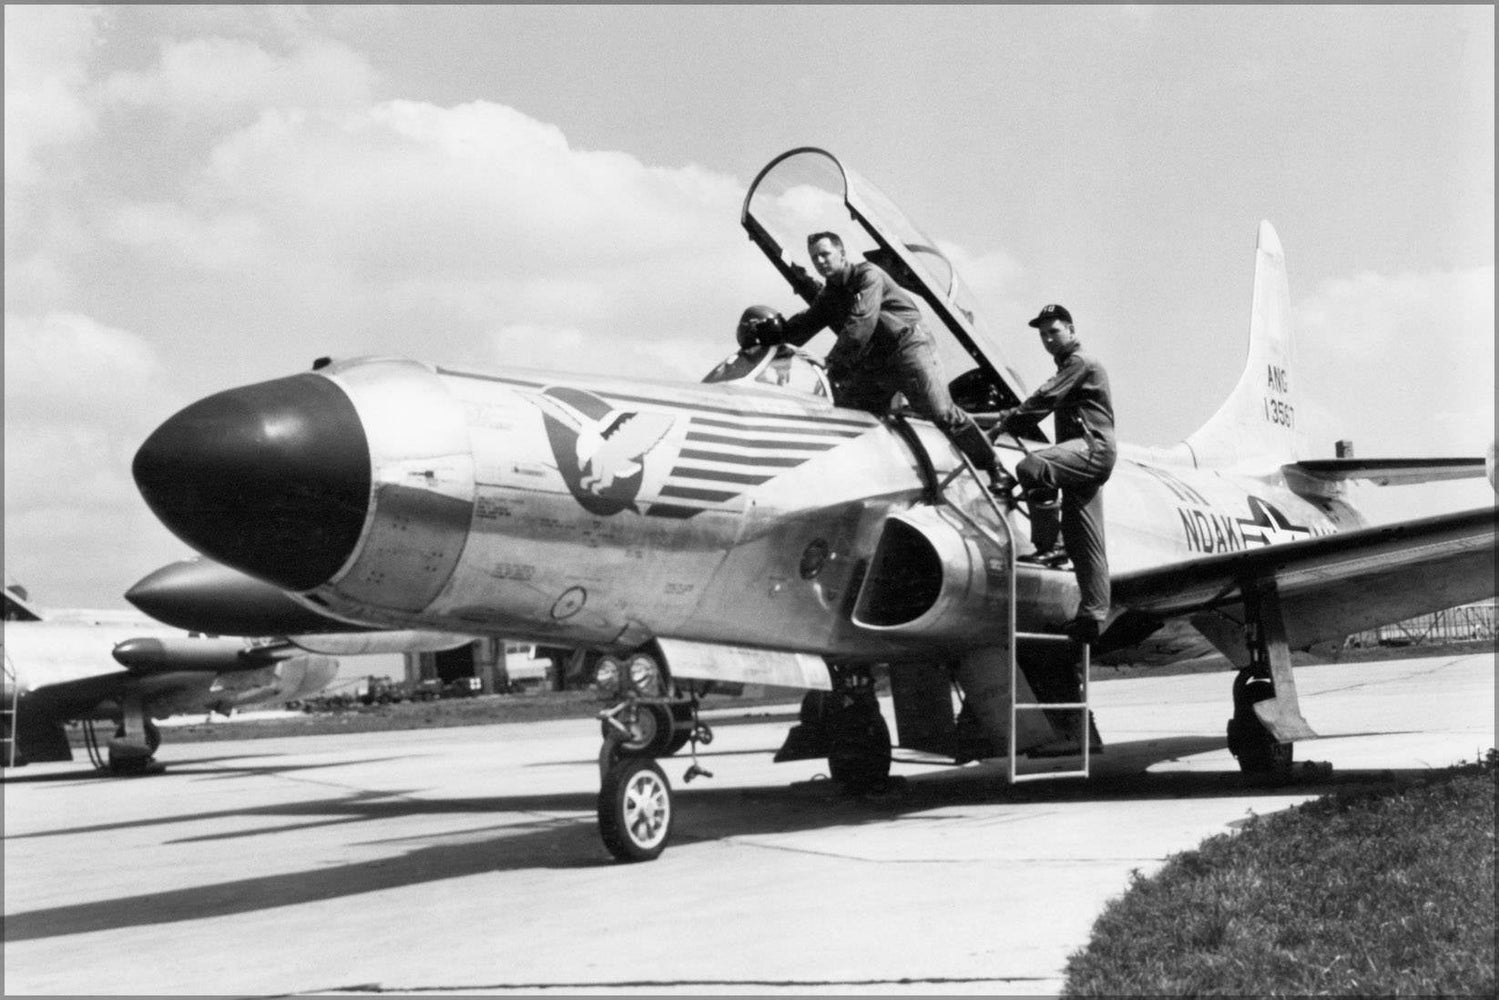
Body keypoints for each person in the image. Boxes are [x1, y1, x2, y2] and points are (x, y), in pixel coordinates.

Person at [739, 231, 1001, 487]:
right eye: (815, 257)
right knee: (849, 409)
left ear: (842, 254)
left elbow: (861, 322)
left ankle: (994, 467)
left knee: (940, 411)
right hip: (879, 360)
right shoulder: (831, 292)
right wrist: (769, 337)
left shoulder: (868, 275)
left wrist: (831, 363)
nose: (820, 261)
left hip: (909, 346)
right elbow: (808, 322)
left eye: (825, 254)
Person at [994, 304, 1116, 644]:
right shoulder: (1070, 365)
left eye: (1054, 332)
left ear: (1071, 330)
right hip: (1087, 453)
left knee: (1032, 467)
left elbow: (1042, 400)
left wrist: (1003, 425)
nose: (1048, 339)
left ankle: (1049, 545)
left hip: (1092, 449)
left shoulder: (1079, 363)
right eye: (1043, 335)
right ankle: (1092, 618)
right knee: (1086, 538)